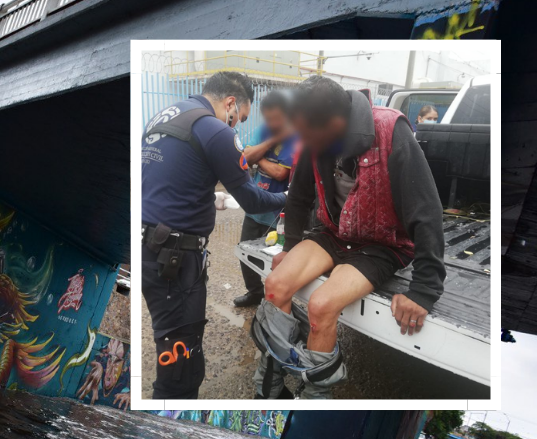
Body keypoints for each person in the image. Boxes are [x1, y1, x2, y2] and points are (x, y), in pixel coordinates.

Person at [249, 76, 445, 400]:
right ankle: (269, 387)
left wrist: (424, 290)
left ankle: (314, 398)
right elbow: (298, 196)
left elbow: (426, 211)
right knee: (276, 284)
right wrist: (290, 246)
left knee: (321, 306)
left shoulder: (391, 132)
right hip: (332, 232)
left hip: (381, 244)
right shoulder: (314, 137)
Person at [141, 71, 288, 399]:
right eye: (240, 118)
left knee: (176, 347)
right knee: (181, 365)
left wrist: (207, 197)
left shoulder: (165, 117)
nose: (236, 126)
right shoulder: (215, 129)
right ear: (231, 103)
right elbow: (252, 199)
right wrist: (290, 199)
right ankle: (165, 434)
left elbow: (162, 180)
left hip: (151, 248)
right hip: (174, 260)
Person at [234, 90, 299, 308]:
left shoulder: (295, 137)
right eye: (268, 118)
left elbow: (282, 173)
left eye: (277, 119)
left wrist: (257, 156)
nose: (272, 123)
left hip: (278, 213)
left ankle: (275, 299)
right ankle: (254, 293)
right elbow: (243, 158)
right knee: (245, 252)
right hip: (255, 207)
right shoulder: (266, 131)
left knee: (276, 258)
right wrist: (271, 141)